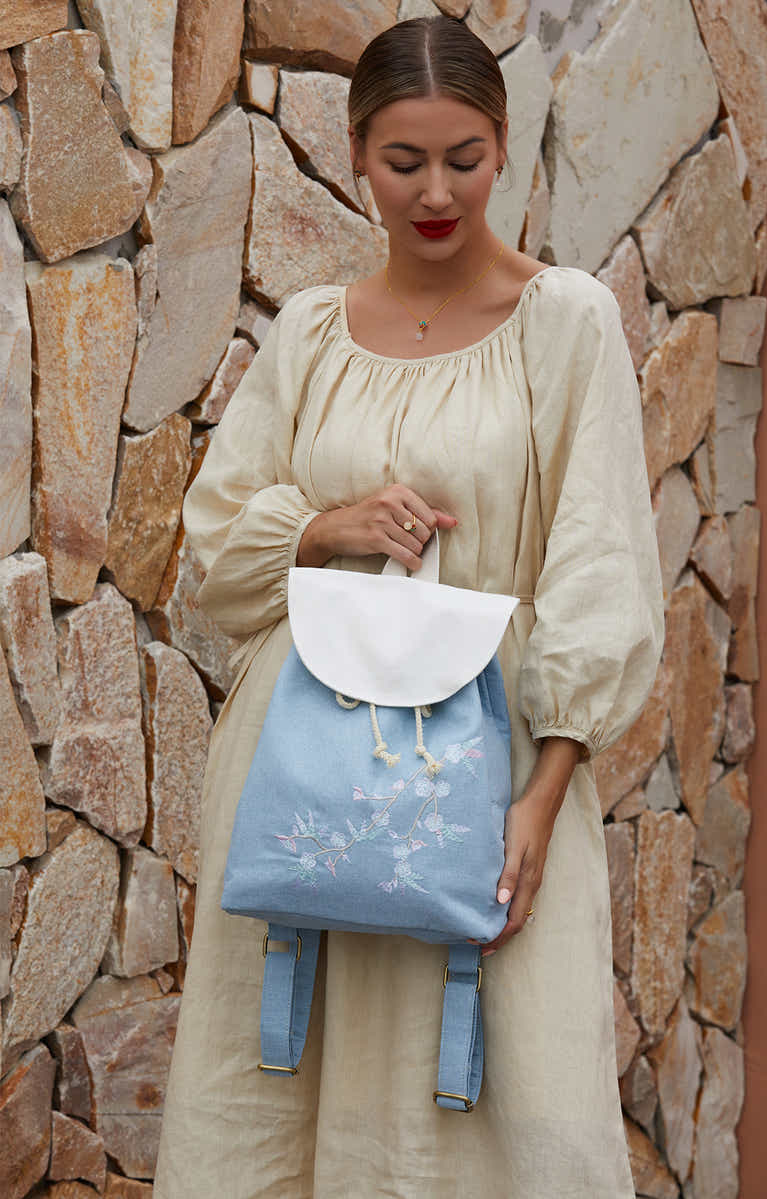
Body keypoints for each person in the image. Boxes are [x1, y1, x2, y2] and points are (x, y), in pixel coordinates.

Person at [154, 15, 664, 1199]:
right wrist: (325, 525)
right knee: (271, 1099)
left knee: (513, 1098)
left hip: (488, 780)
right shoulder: (309, 337)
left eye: (465, 156)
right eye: (404, 161)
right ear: (353, 154)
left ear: (503, 149)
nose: (437, 191)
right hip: (304, 778)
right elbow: (218, 560)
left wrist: (542, 793)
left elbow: (598, 569)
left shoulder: (567, 322)